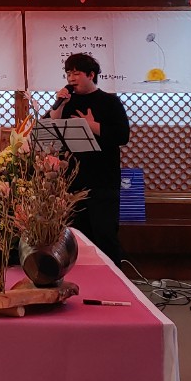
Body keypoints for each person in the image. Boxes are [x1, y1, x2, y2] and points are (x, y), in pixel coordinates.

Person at [47, 52, 130, 264]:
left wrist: (89, 125)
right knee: (74, 237)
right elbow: (49, 129)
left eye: (76, 73)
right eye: (68, 74)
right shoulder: (67, 101)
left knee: (104, 235)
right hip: (71, 181)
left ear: (91, 75)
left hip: (102, 181)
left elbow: (122, 135)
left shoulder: (110, 102)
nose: (71, 78)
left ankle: (112, 277)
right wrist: (60, 104)